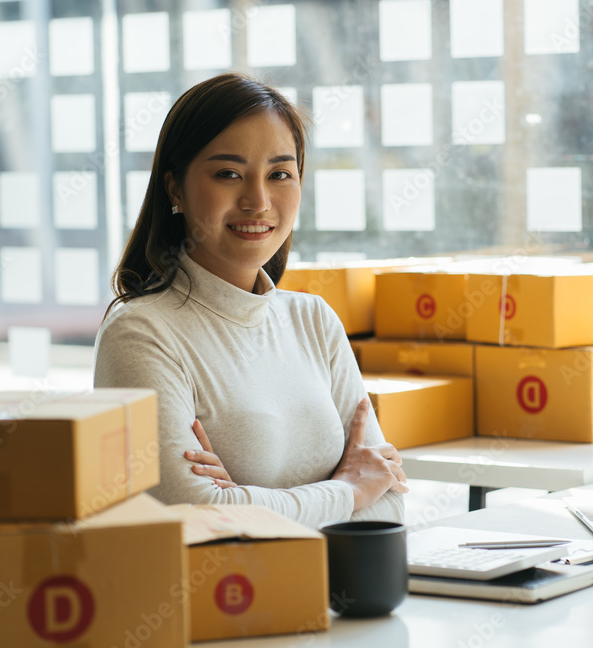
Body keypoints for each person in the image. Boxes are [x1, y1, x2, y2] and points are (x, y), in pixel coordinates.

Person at [93, 73, 407, 528]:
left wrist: (244, 501)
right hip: (223, 596)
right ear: (175, 188)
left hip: (335, 597)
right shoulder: (140, 332)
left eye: (280, 174)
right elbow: (190, 516)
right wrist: (348, 489)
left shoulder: (313, 320)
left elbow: (389, 501)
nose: (258, 201)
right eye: (228, 174)